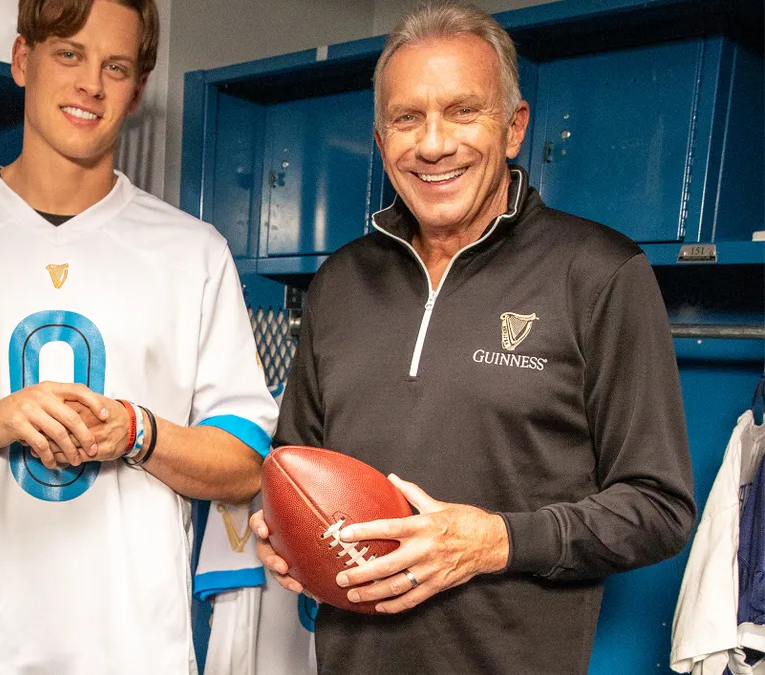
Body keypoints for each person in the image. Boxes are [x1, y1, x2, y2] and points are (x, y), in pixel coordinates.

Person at [0, 0, 277, 672]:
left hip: (132, 655)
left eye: (115, 65)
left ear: (136, 90)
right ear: (22, 60)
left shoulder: (193, 253)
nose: (91, 83)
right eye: (69, 53)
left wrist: (137, 430)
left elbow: (244, 460)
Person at [250, 3, 696, 674]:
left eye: (464, 112)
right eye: (407, 118)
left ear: (514, 127)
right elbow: (294, 457)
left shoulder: (600, 272)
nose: (432, 144)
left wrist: (491, 541)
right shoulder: (340, 281)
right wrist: (280, 528)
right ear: (381, 141)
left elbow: (660, 506)